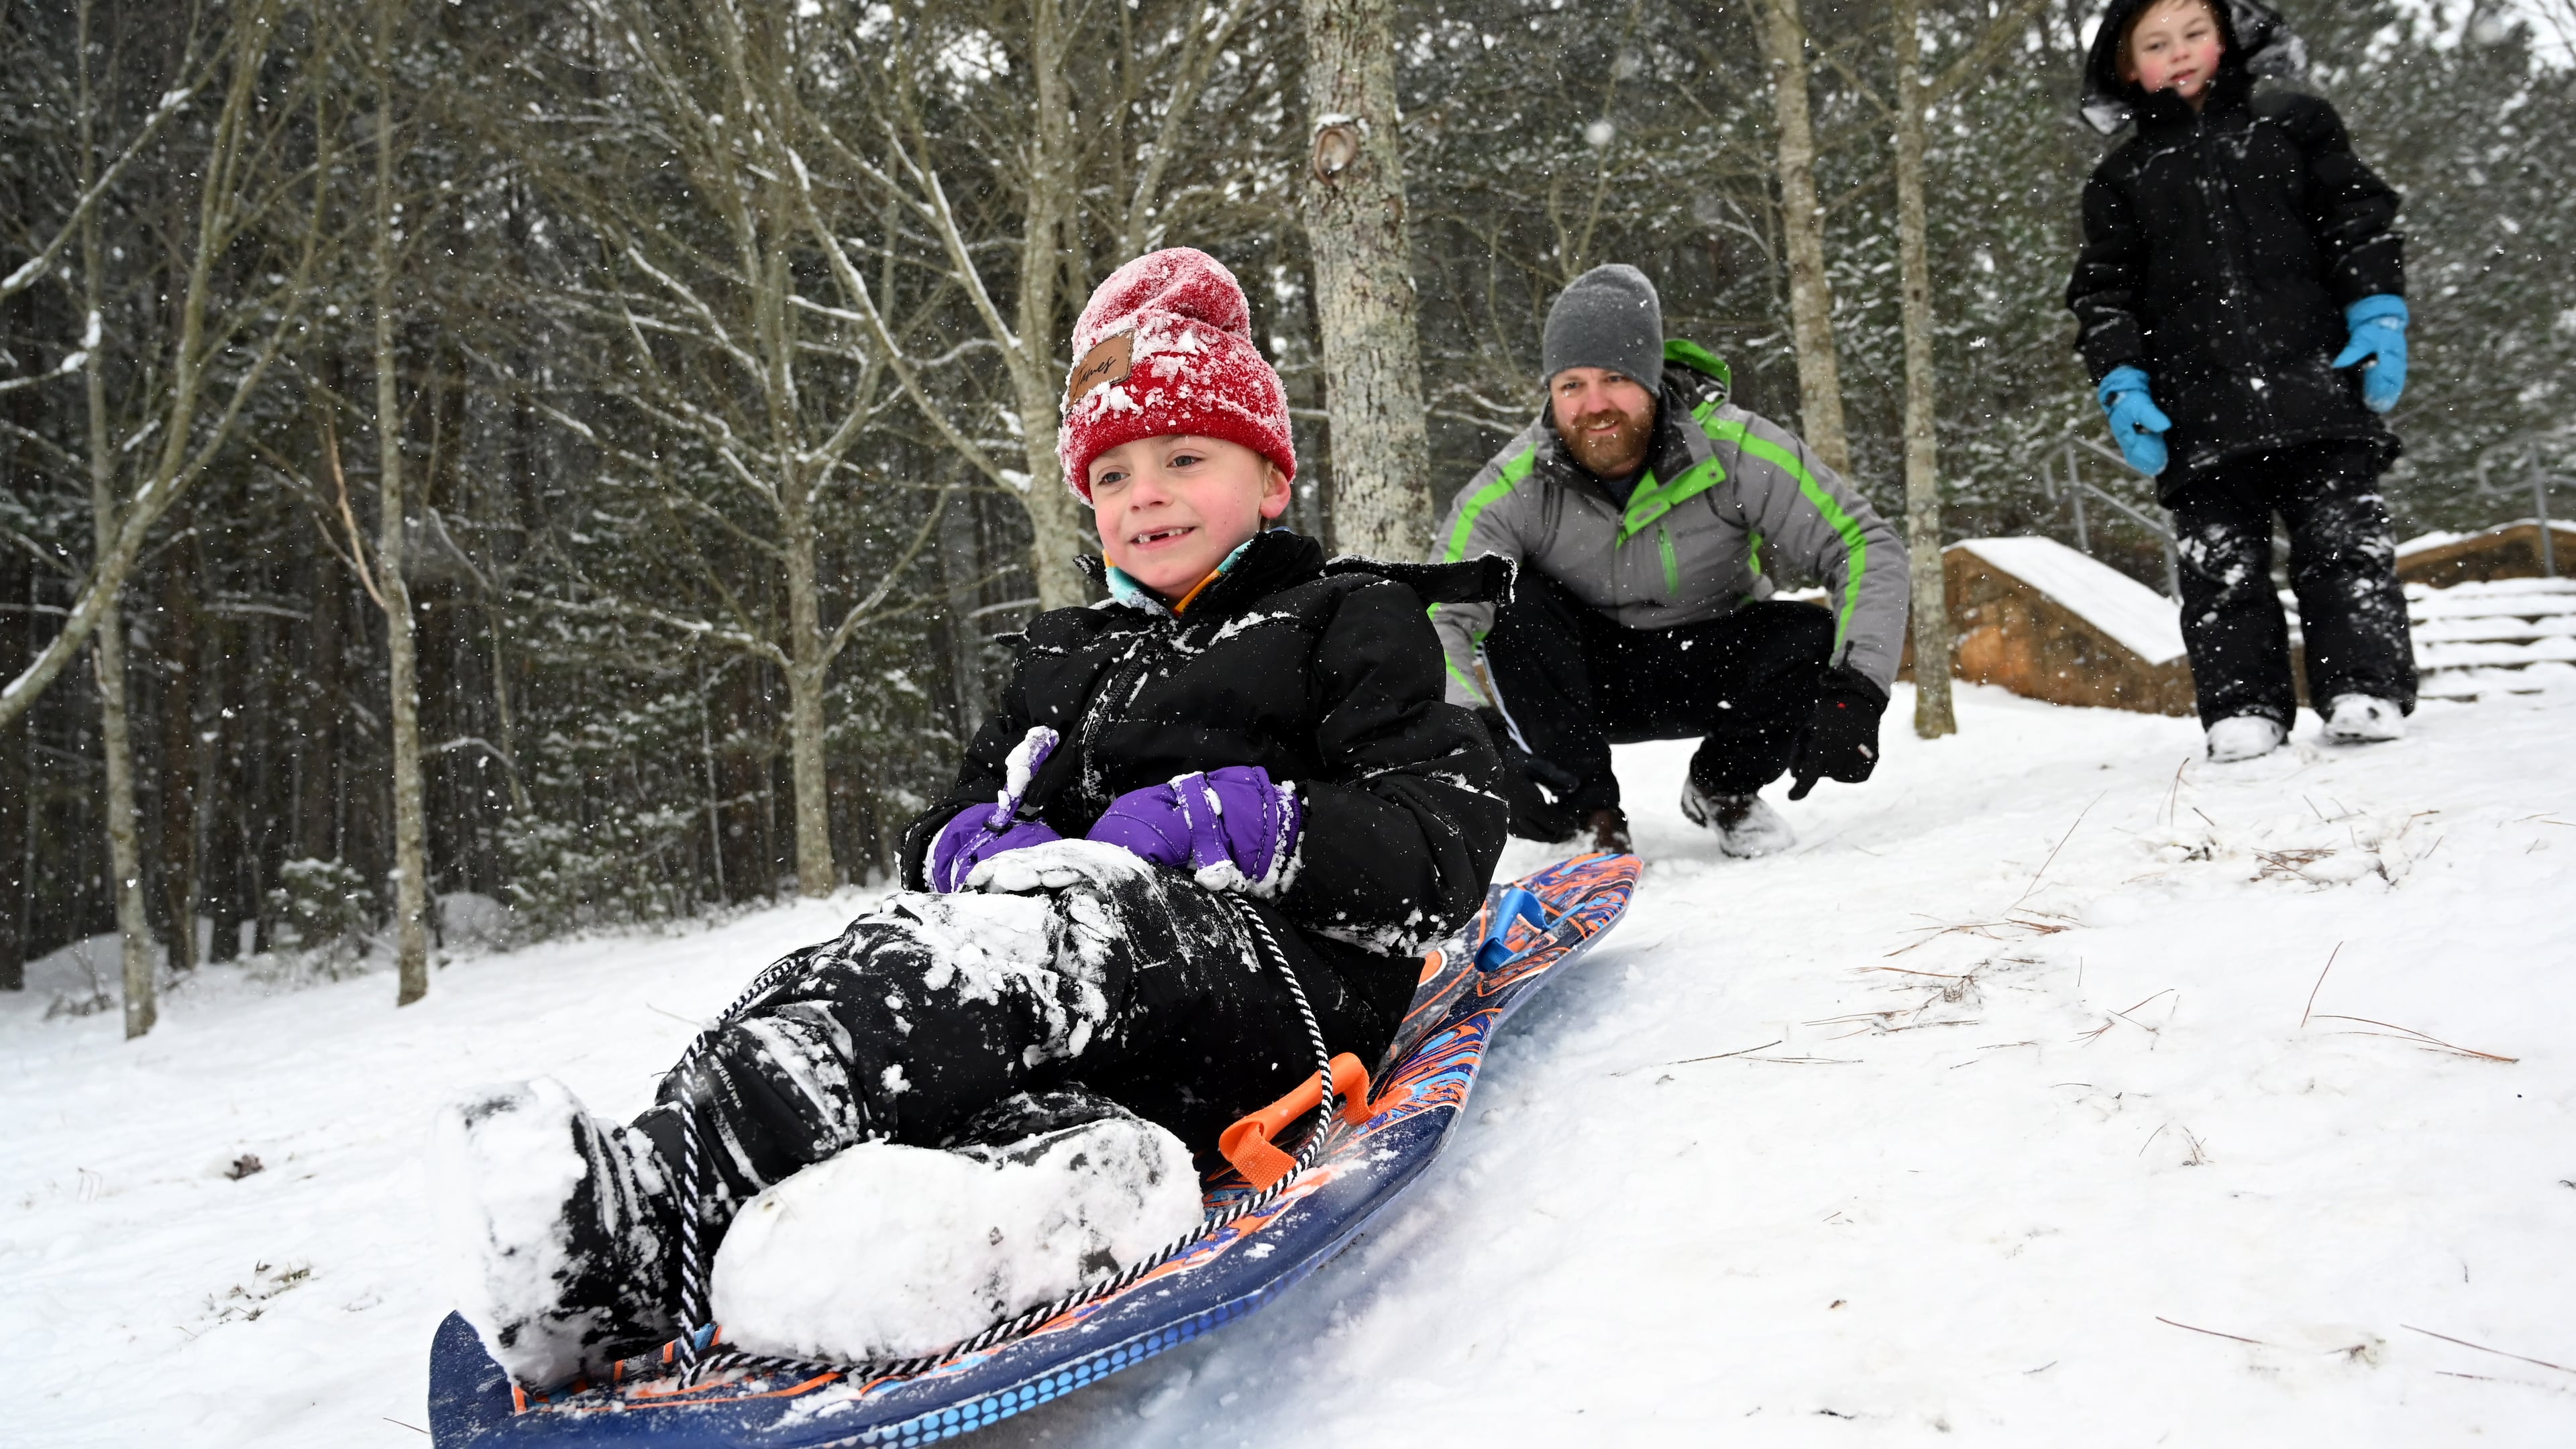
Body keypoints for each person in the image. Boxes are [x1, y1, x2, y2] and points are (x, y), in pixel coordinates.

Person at [433, 248, 1508, 1387]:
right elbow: (954, 815)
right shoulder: (1064, 659)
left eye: (1187, 459)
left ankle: (648, 1230)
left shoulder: (1344, 617)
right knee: (896, 960)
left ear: (1271, 481)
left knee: (1040, 949)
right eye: (1113, 475)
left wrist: (1240, 823)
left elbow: (1442, 840)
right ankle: (1024, 1198)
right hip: (1100, 1010)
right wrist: (972, 845)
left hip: (1283, 985)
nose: (1146, 493)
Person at [1432, 264, 1909, 858]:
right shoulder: (1510, 486)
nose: (1595, 405)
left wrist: (1859, 692)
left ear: (1654, 380)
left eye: (1616, 378)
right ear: (1550, 394)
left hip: (1714, 664)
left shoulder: (1737, 449)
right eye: (1572, 385)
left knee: (1809, 634)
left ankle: (1723, 787)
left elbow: (1862, 543)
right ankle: (1591, 817)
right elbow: (1438, 616)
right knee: (1514, 604)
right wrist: (1473, 743)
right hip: (1584, 682)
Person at [2068, 0, 2417, 763]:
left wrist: (2379, 315)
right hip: (2200, 414)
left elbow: (2358, 222)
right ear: (2129, 68)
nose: (2180, 52)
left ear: (2226, 39)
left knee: (2344, 547)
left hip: (2319, 386)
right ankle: (2244, 706)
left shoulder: (2294, 123)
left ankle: (2364, 686)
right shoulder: (2123, 176)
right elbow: (2105, 296)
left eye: (2195, 33)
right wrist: (2124, 385)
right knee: (2221, 571)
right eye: (2157, 44)